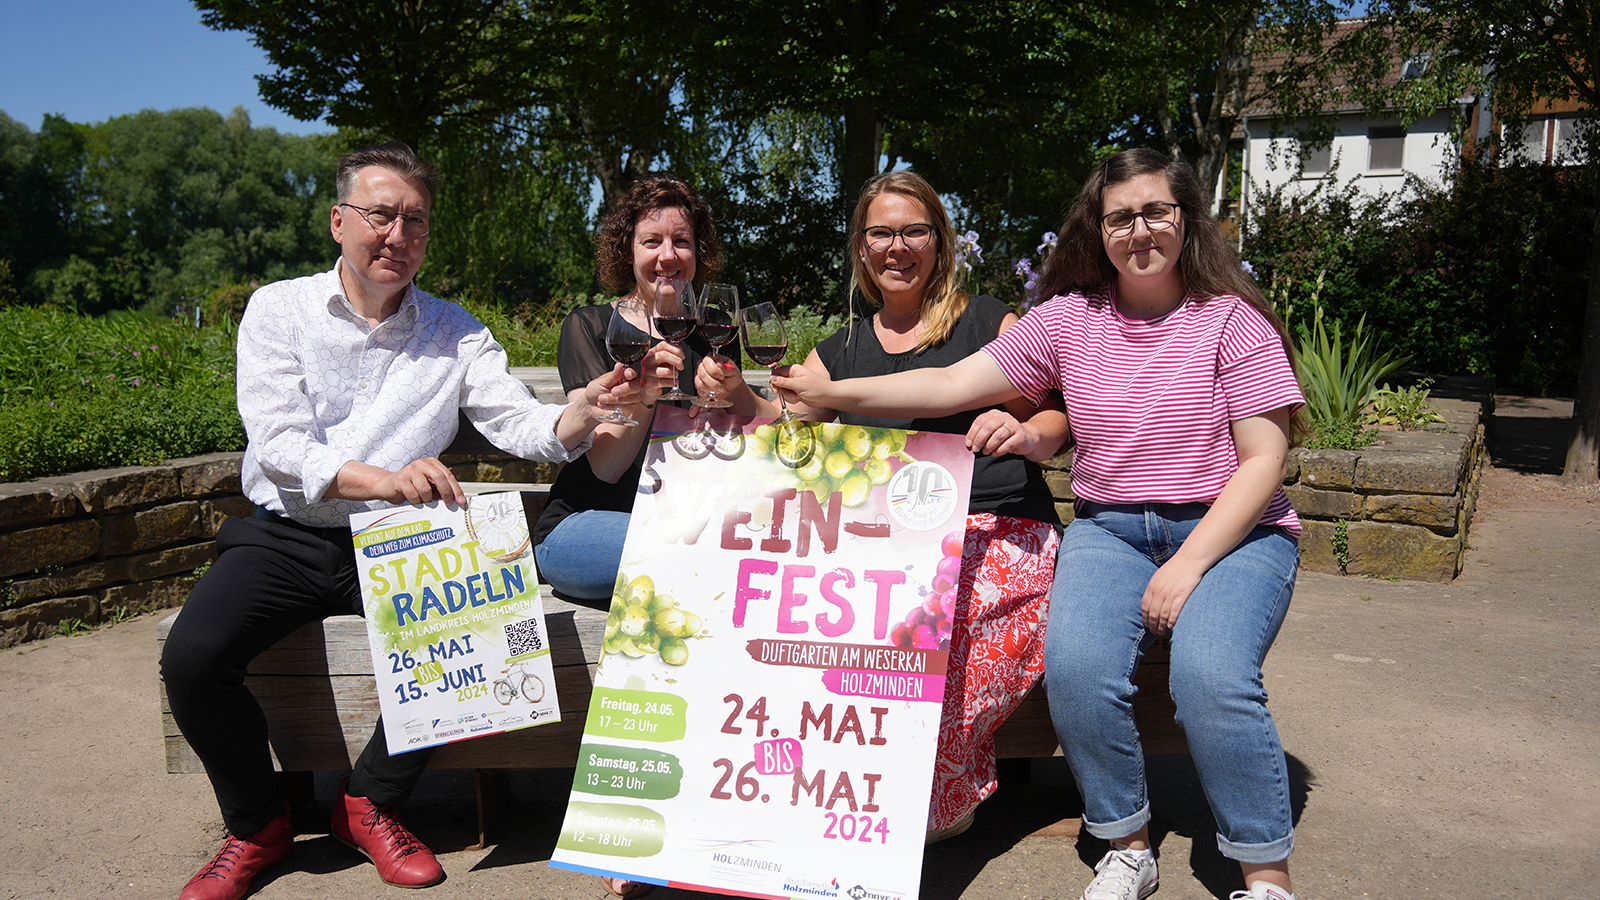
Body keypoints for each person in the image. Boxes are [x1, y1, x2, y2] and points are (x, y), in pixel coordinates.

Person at [772, 148, 1308, 900]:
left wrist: (1186, 568)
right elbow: (949, 382)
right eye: (1120, 217)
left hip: (1234, 534)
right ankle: (1126, 845)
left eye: (1157, 212)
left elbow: (1262, 462)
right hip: (1112, 530)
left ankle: (1265, 874)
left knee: (1209, 676)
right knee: (1080, 673)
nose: (1140, 231)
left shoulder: (1232, 322)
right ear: (1098, 229)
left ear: (1187, 220)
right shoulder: (1067, 320)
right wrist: (825, 389)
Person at [160, 142, 632, 900]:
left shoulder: (457, 330)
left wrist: (584, 411)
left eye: (415, 221)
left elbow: (522, 426)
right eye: (382, 215)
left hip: (402, 540)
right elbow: (279, 446)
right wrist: (384, 479)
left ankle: (369, 801)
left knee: (481, 626)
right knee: (192, 658)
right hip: (288, 533)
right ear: (339, 221)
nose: (398, 235)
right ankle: (258, 824)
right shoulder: (278, 309)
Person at [703, 170, 1070, 843]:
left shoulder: (989, 321)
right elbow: (785, 428)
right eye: (881, 233)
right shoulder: (841, 350)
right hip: (887, 543)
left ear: (939, 241)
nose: (897, 247)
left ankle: (918, 801)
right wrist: (737, 396)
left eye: (913, 231)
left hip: (998, 531)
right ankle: (766, 798)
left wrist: (1024, 436)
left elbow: (1054, 420)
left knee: (940, 634)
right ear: (861, 248)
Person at [532, 174, 718, 603]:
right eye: (651, 241)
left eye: (682, 242)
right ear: (627, 250)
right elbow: (605, 466)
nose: (667, 256)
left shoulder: (713, 335)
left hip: (682, 524)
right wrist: (648, 394)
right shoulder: (593, 328)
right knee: (700, 560)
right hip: (587, 522)